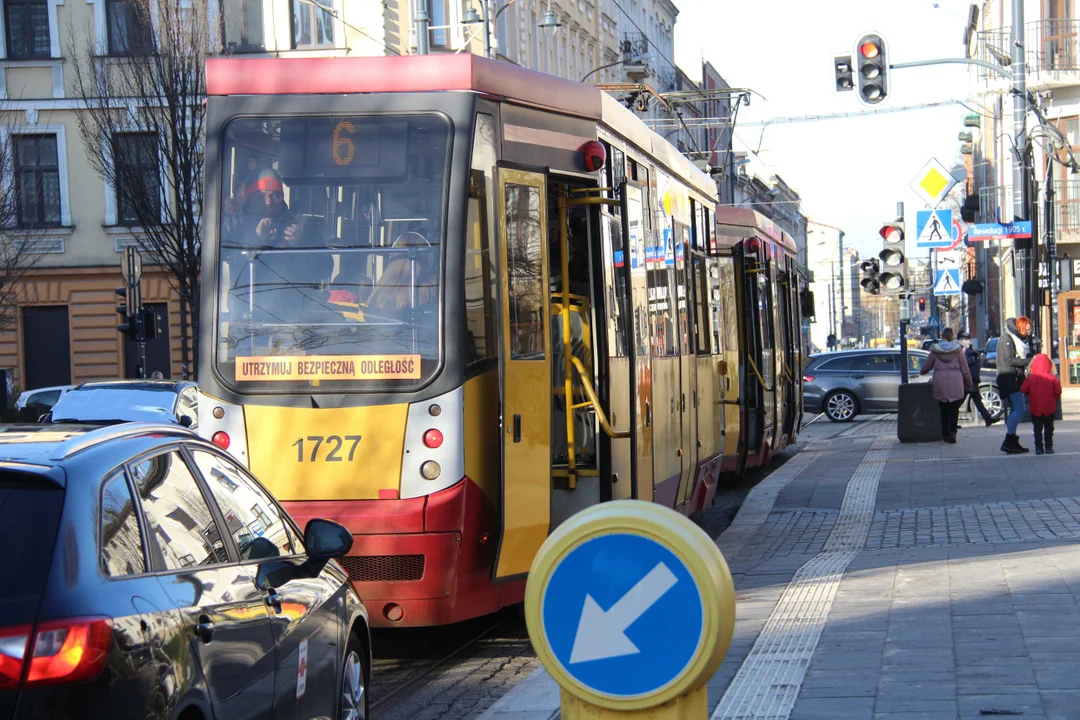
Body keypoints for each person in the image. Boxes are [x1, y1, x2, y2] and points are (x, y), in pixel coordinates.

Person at [920, 327, 972, 444]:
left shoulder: (935, 350)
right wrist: (969, 383)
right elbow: (965, 369)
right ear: (952, 336)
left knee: (943, 409)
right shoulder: (958, 350)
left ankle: (945, 434)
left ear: (942, 336)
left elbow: (926, 367)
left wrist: (922, 371)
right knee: (954, 409)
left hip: (940, 383)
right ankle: (953, 432)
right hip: (956, 383)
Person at [996, 316, 1034, 454]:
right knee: (1019, 408)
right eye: (1028, 329)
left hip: (1015, 377)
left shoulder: (1017, 339)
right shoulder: (1007, 339)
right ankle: (1009, 438)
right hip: (1009, 378)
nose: (1030, 331)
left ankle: (1011, 440)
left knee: (1015, 409)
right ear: (1021, 327)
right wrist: (1029, 361)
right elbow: (1010, 360)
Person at [1020, 353, 1061, 455]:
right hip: (1049, 407)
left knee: (1037, 428)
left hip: (1035, 407)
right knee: (1049, 427)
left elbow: (1023, 389)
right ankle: (1049, 447)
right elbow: (1058, 391)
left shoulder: (1031, 378)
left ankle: (1038, 447)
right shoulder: (1052, 378)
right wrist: (1054, 399)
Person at [958, 331, 998, 427]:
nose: (967, 341)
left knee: (977, 400)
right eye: (965, 339)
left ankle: (988, 419)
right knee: (959, 402)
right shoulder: (961, 351)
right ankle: (952, 422)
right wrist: (972, 354)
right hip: (966, 380)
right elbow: (965, 363)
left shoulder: (969, 350)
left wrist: (973, 353)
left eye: (968, 339)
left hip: (973, 379)